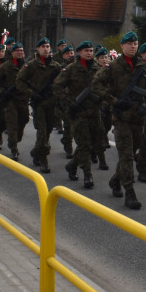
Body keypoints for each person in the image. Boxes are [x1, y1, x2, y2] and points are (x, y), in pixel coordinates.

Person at [93, 31, 146, 210]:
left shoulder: (143, 66)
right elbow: (96, 85)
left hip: (139, 118)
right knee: (127, 156)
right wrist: (114, 101)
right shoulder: (113, 67)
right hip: (121, 118)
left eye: (135, 43)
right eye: (129, 43)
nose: (133, 46)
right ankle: (130, 191)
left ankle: (115, 180)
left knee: (132, 150)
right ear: (122, 46)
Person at [54, 41, 103, 187]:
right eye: (86, 50)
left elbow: (107, 85)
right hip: (78, 113)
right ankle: (87, 175)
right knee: (84, 144)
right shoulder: (71, 69)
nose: (89, 53)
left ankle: (73, 165)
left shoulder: (98, 68)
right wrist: (69, 103)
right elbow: (57, 86)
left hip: (95, 111)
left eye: (91, 50)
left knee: (94, 143)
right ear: (79, 52)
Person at [16, 37, 60, 172]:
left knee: (48, 132)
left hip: (51, 103)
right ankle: (43, 159)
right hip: (39, 103)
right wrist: (32, 94)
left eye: (47, 46)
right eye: (43, 47)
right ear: (38, 49)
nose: (46, 49)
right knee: (42, 132)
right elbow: (19, 81)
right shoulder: (31, 65)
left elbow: (62, 84)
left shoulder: (56, 66)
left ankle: (36, 152)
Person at [0, 43, 30, 160]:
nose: (19, 52)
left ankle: (16, 139)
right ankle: (14, 148)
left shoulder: (27, 66)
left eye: (21, 50)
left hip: (23, 98)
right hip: (10, 100)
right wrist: (2, 91)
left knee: (24, 119)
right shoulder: (5, 66)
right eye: (17, 50)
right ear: (12, 53)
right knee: (12, 124)